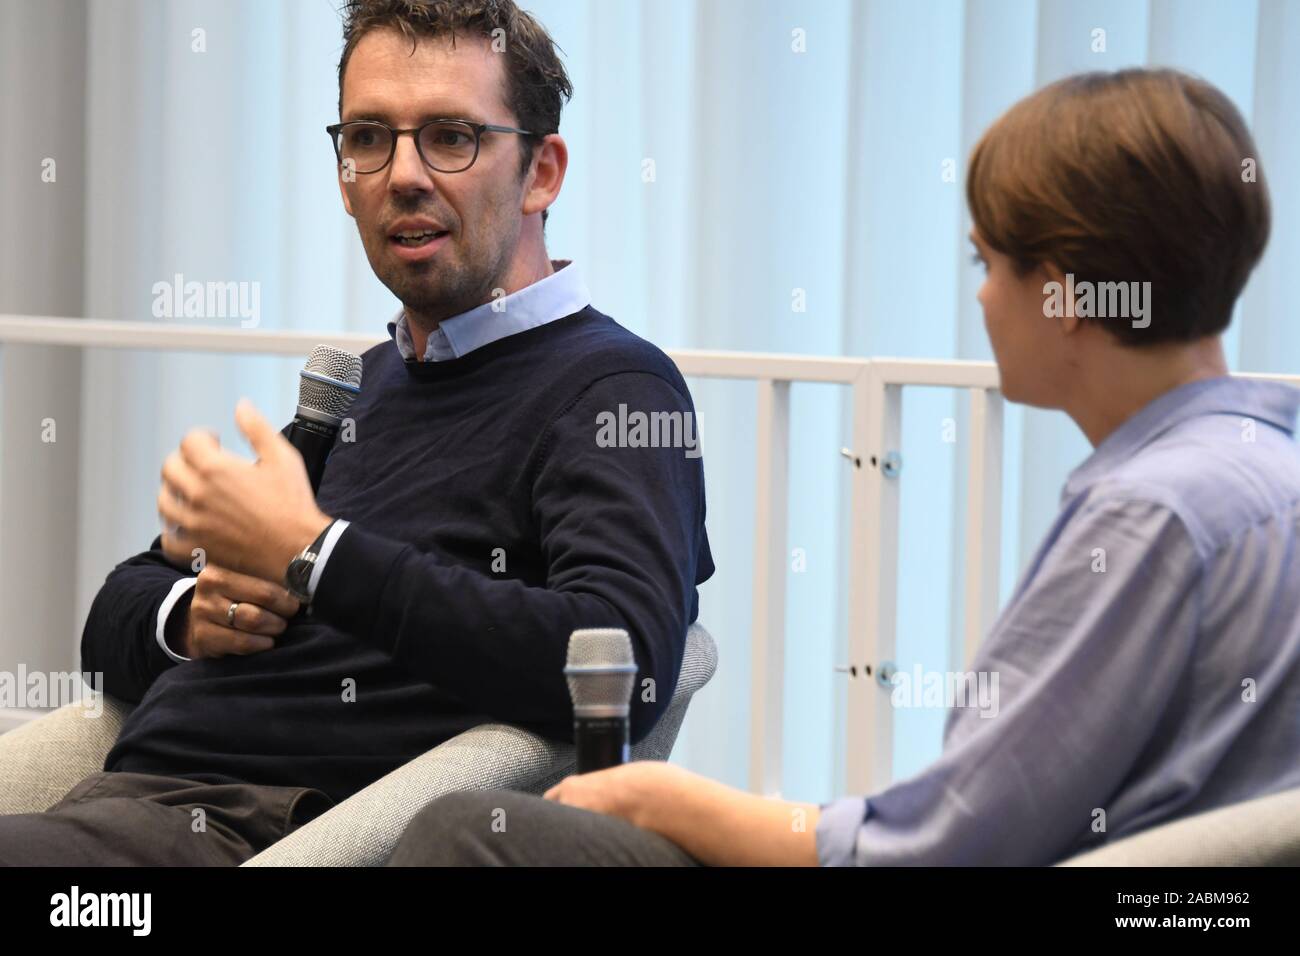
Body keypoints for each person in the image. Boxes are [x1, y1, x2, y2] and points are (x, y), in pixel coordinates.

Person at [387, 67, 1300, 867]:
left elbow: (940, 846)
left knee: (469, 837)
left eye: (989, 262)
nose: (980, 295)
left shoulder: (1150, 516)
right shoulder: (1265, 475)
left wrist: (678, 800)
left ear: (1064, 290)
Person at [0, 0, 713, 866]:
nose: (402, 174)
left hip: (254, 828)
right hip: (114, 808)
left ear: (541, 172)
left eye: (450, 136)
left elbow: (622, 662)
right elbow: (115, 615)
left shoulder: (614, 387)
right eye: (370, 137)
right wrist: (193, 614)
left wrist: (318, 554)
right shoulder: (359, 389)